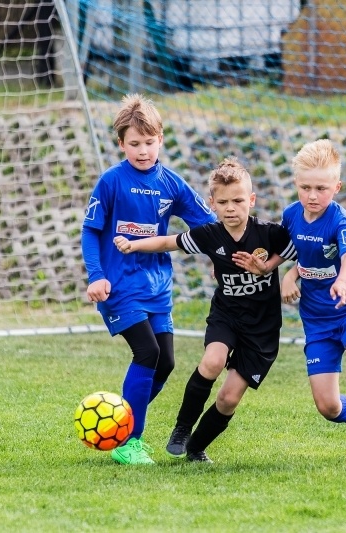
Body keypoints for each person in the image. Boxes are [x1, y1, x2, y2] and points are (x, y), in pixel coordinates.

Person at [114, 158, 296, 463]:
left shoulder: (270, 233)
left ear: (251, 200)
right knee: (212, 361)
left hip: (262, 328)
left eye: (238, 201)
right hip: (227, 316)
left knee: (228, 399)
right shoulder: (210, 234)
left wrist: (274, 270)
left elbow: (302, 251)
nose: (230, 208)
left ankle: (196, 447)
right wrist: (134, 245)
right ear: (212, 204)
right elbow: (169, 242)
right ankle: (181, 429)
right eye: (222, 202)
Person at [81, 94, 216, 465]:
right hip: (119, 286)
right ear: (121, 144)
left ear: (161, 140)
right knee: (148, 352)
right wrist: (96, 276)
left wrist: (222, 252)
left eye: (149, 142)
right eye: (134, 143)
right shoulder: (111, 181)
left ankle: (116, 422)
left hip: (157, 287)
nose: (142, 151)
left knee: (166, 362)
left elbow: (208, 226)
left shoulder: (171, 184)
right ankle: (129, 442)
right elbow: (90, 230)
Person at [280, 139, 346, 470]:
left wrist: (342, 281)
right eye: (305, 187)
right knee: (329, 407)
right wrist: (287, 275)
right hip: (317, 319)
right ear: (296, 183)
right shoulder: (291, 216)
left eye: (321, 188)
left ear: (336, 187)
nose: (312, 195)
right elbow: (294, 254)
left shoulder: (341, 220)